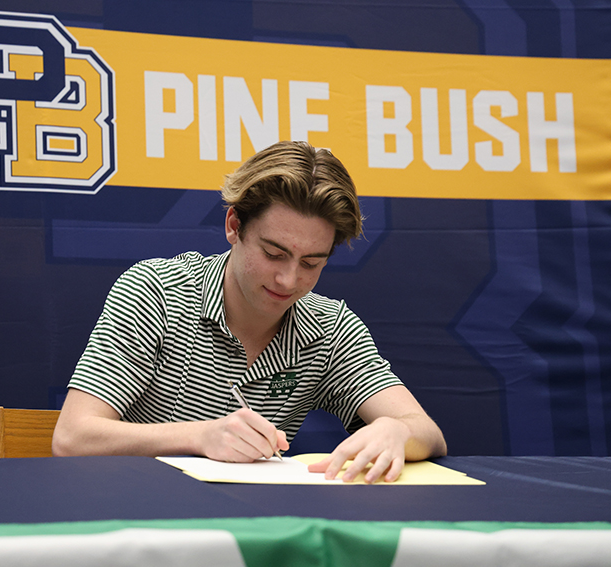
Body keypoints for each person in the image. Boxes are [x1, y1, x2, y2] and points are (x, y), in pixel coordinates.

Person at [52, 141, 446, 483]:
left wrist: (395, 431)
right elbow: (72, 438)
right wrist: (200, 437)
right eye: (274, 254)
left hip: (257, 534)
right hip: (141, 527)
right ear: (234, 225)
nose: (289, 280)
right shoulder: (155, 290)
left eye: (311, 263)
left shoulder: (331, 329)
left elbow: (427, 432)